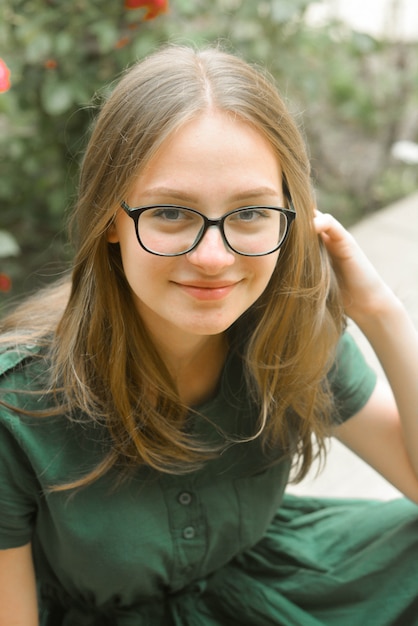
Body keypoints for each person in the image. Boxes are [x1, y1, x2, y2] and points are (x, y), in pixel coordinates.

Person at [0, 44, 417, 626]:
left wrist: (380, 311)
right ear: (110, 219)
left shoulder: (286, 334)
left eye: (250, 213)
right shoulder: (16, 408)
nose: (214, 258)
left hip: (264, 586)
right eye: (171, 213)